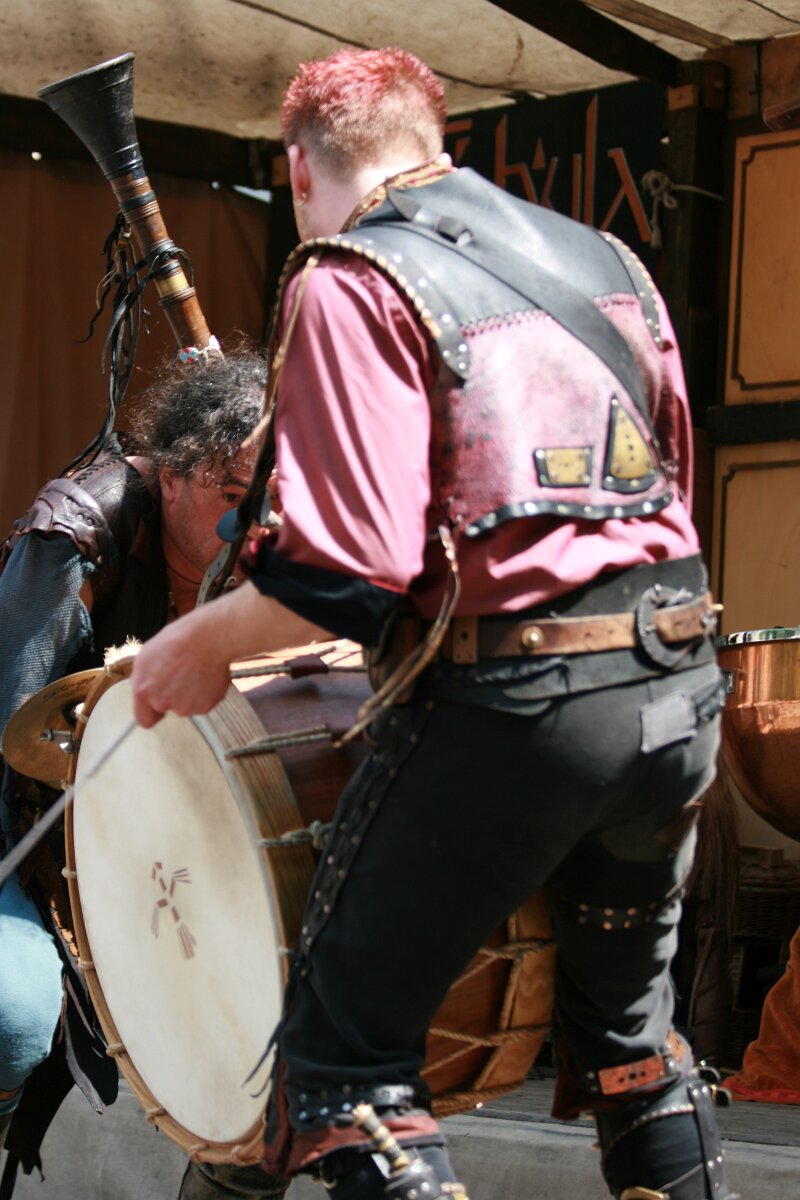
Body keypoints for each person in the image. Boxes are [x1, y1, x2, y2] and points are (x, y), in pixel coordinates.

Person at [130, 47, 736, 1200]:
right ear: (431, 139)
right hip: (673, 692)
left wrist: (194, 645)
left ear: (295, 170)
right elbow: (670, 490)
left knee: (342, 1070)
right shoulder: (608, 260)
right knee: (629, 1047)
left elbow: (345, 572)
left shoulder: (349, 274)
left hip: (518, 706)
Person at [0, 349, 289, 1200]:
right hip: (37, 837)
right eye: (229, 495)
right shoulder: (74, 538)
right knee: (11, 1013)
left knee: (282, 1038)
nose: (252, 522)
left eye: (267, 498)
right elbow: (7, 736)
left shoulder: (281, 553)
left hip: (187, 850)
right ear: (168, 478)